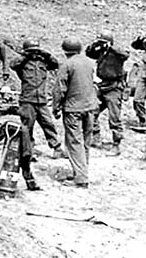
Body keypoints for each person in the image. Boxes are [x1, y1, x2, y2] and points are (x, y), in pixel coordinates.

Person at [9, 39, 66, 160]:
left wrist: (46, 54)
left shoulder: (43, 62)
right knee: (27, 127)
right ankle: (29, 151)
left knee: (48, 124)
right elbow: (13, 64)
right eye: (31, 51)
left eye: (36, 51)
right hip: (27, 100)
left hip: (41, 100)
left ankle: (56, 148)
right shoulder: (22, 63)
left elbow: (55, 64)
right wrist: (25, 55)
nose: (34, 53)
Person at [53, 38, 97, 188]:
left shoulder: (67, 64)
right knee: (85, 142)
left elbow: (60, 89)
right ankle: (81, 171)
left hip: (73, 109)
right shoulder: (89, 62)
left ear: (65, 51)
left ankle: (81, 178)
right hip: (90, 107)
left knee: (74, 142)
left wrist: (56, 107)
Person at [85, 31, 130, 156]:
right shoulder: (100, 51)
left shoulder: (116, 52)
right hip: (102, 86)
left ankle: (116, 144)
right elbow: (88, 53)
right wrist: (96, 45)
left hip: (114, 87)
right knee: (92, 111)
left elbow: (126, 55)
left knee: (114, 117)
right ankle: (96, 137)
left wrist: (111, 47)